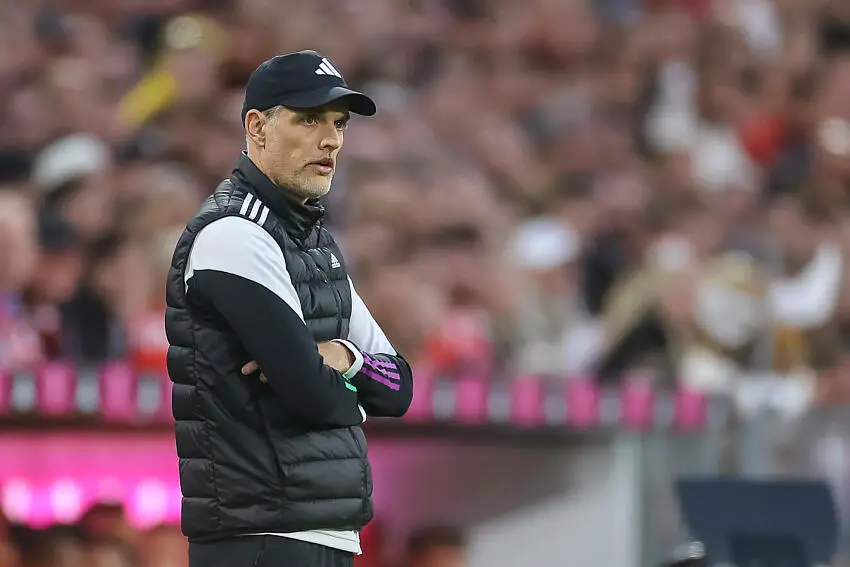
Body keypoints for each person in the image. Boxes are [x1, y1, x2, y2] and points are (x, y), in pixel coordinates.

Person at [165, 50, 414, 567]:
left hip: (321, 532)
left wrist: (343, 358)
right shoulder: (234, 234)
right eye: (310, 120)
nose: (332, 140)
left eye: (339, 123)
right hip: (260, 536)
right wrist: (348, 394)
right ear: (257, 127)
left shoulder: (314, 245)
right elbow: (317, 398)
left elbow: (399, 389)